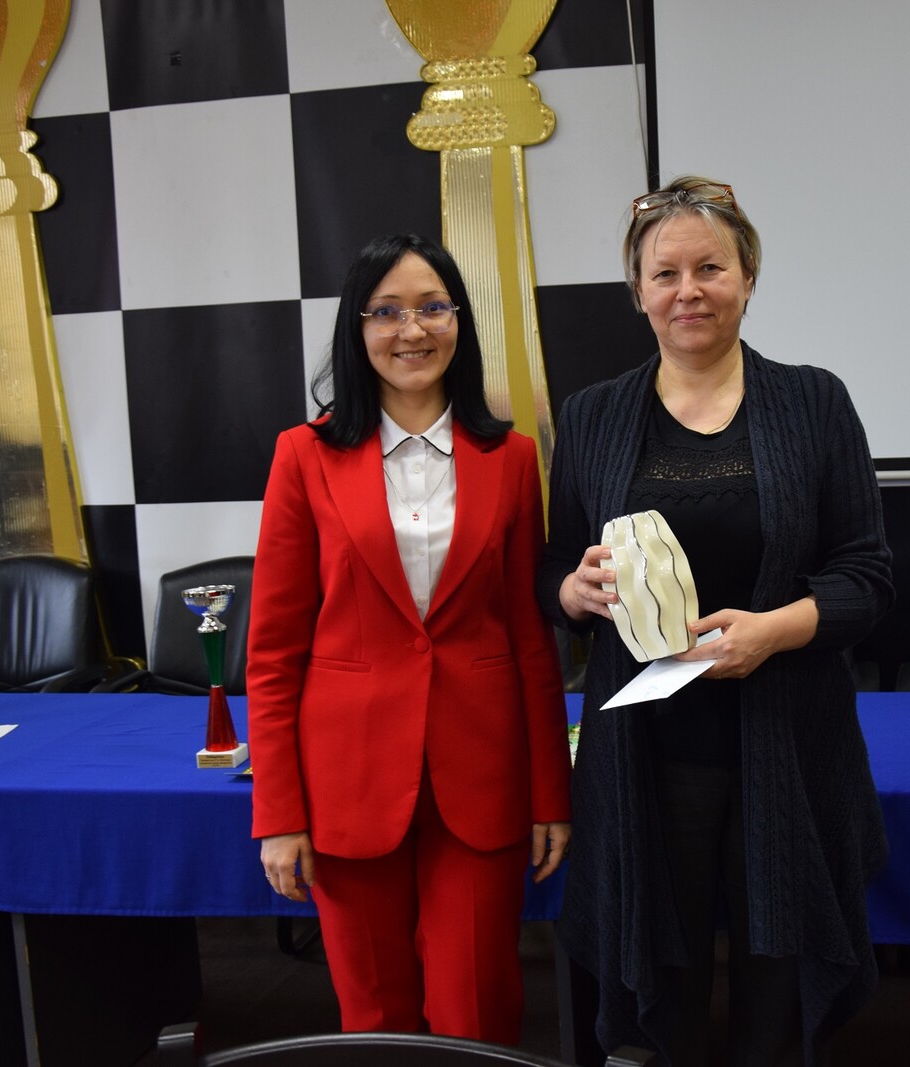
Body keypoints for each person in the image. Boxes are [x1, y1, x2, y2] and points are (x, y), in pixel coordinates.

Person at [535, 177, 894, 1065]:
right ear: (638, 291)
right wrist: (573, 592)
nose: (687, 290)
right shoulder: (591, 415)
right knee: (664, 974)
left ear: (749, 277)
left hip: (788, 740)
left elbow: (868, 577)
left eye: (710, 268)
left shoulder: (815, 401)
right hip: (646, 752)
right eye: (665, 273)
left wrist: (773, 630)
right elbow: (555, 568)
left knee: (779, 974)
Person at [248, 233, 571, 1044]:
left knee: (476, 1014)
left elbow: (532, 640)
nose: (412, 329)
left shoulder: (512, 459)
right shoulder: (303, 456)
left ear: (459, 320)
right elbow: (274, 654)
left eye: (432, 307)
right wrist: (278, 813)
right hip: (348, 782)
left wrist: (549, 792)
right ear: (356, 328)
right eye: (386, 311)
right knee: (375, 1018)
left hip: (482, 777)